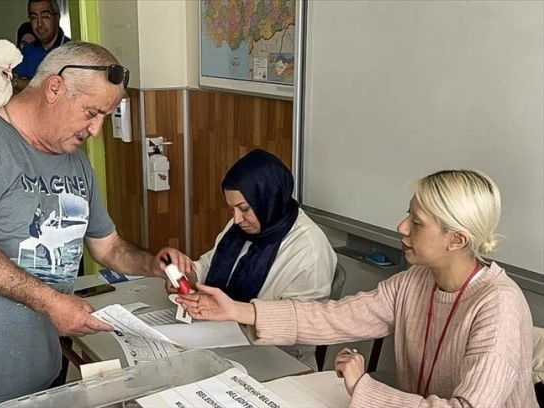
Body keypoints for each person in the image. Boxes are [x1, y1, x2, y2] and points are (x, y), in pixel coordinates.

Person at [0, 41, 192, 408]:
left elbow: (108, 246)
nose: (96, 130)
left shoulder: (77, 164)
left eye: (106, 116)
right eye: (91, 112)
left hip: (39, 368)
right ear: (54, 88)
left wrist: (156, 265)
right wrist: (53, 303)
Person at [178, 170, 536, 407]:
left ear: (456, 239)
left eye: (416, 222)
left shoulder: (497, 307)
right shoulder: (415, 282)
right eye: (407, 214)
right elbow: (333, 318)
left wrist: (365, 389)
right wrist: (238, 310)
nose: (401, 227)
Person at [171, 149, 336, 366]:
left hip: (278, 357)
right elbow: (206, 268)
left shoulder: (309, 249)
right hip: (223, 339)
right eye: (232, 209)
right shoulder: (242, 227)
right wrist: (181, 274)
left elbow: (299, 330)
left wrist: (234, 314)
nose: (237, 219)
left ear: (268, 200)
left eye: (244, 209)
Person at [12, 0, 70, 91]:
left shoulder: (71, 51)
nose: (39, 24)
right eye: (34, 17)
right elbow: (9, 86)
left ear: (57, 17)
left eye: (45, 16)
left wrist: (18, 83)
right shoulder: (27, 51)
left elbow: (55, 90)